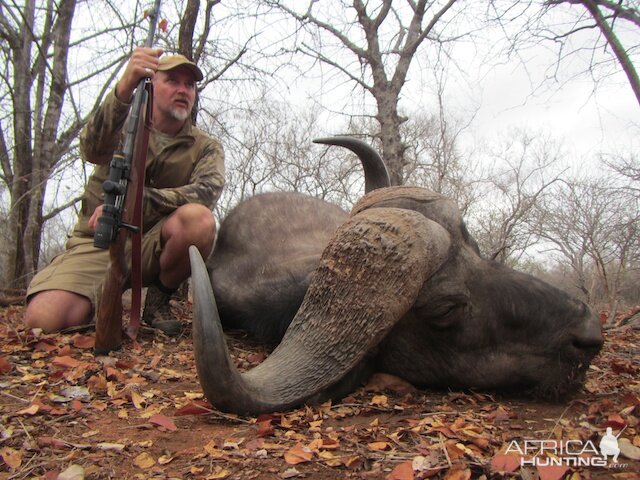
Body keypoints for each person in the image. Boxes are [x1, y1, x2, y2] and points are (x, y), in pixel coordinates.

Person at [24, 47, 225, 335]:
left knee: (199, 220)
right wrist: (124, 88)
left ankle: (157, 301)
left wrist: (135, 202)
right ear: (150, 85)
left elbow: (206, 192)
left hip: (153, 247)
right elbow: (91, 149)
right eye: (172, 81)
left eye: (189, 84)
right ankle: (95, 299)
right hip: (98, 242)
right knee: (44, 320)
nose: (183, 90)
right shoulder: (123, 123)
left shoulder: (206, 146)